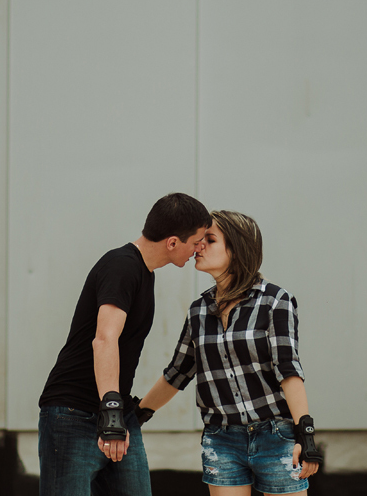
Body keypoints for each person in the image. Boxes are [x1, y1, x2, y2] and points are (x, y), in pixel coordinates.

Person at [135, 210, 323, 496]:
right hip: (222, 440)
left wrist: (305, 433)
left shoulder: (275, 301)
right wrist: (137, 414)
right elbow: (177, 373)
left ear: (236, 249)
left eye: (210, 240)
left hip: (275, 436)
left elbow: (288, 369)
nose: (199, 246)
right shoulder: (198, 311)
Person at [37, 193, 212, 496]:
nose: (199, 249)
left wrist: (127, 414)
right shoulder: (122, 266)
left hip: (117, 414)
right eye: (196, 242)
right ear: (172, 242)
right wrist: (112, 414)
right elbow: (105, 338)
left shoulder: (144, 272)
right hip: (74, 413)